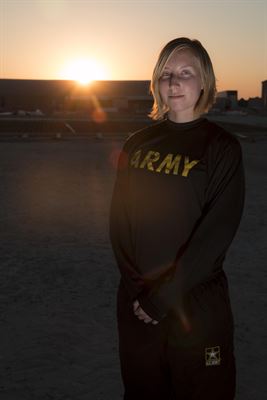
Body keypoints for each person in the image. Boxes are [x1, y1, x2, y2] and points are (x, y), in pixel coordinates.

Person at [109, 37, 245, 400]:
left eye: (185, 73)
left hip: (195, 310)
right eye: (166, 73)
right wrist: (140, 294)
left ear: (205, 82)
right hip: (137, 308)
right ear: (156, 82)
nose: (174, 81)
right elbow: (119, 225)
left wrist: (161, 300)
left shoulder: (221, 148)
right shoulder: (137, 144)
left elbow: (214, 237)